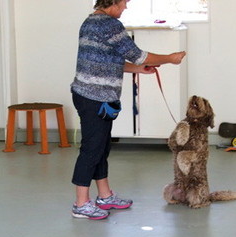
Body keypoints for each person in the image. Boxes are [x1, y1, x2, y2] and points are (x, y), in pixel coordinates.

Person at [70, 0, 186, 220]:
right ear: (113, 1)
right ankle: (81, 203)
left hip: (91, 95)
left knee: (101, 148)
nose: (125, 7)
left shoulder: (91, 21)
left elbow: (108, 60)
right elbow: (140, 55)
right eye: (124, 3)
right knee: (92, 150)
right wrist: (170, 59)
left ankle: (104, 196)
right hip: (94, 97)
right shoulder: (109, 25)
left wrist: (138, 70)